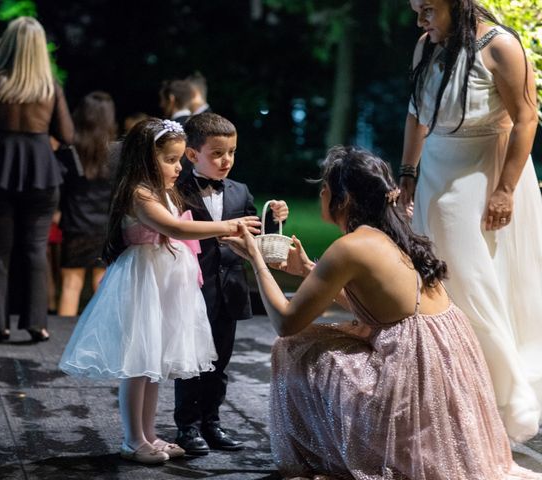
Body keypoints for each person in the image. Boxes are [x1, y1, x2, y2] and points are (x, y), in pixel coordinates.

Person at [223, 145, 542, 480]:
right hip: (437, 364)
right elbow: (381, 305)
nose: (321, 193)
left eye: (326, 188)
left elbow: (286, 322)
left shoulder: (350, 247)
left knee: (296, 348)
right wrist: (307, 270)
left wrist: (255, 260)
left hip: (410, 369)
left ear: (343, 200)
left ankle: (342, 452)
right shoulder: (392, 235)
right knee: (326, 340)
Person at [58, 118, 261, 465]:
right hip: (145, 281)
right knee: (139, 365)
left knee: (153, 366)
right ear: (145, 158)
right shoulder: (139, 193)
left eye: (180, 159)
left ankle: (149, 433)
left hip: (166, 281)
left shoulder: (164, 191)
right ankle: (132, 438)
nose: (178, 167)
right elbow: (174, 226)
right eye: (170, 160)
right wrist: (227, 226)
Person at [399, 0, 542, 442]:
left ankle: (504, 391)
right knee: (443, 282)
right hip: (435, 176)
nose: (420, 19)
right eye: (415, 8)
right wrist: (408, 172)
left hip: (482, 176)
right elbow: (416, 114)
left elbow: (526, 117)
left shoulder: (499, 46)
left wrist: (504, 189)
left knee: (475, 281)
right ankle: (456, 391)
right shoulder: (427, 46)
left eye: (428, 9)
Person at [173, 112, 289, 455]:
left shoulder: (240, 191)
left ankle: (212, 422)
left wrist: (274, 216)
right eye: (218, 154)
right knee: (192, 362)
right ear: (193, 155)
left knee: (220, 363)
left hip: (230, 289)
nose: (227, 161)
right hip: (192, 288)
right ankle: (188, 427)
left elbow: (257, 233)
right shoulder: (177, 191)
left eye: (232, 152)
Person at [0, 17, 74, 343]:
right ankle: (36, 323)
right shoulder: (49, 87)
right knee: (35, 248)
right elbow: (67, 135)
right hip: (41, 170)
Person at [57, 91, 119, 316]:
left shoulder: (69, 151)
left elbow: (59, 188)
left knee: (70, 285)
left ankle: (61, 345)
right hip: (106, 226)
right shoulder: (116, 153)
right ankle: (102, 338)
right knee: (102, 284)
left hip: (75, 225)